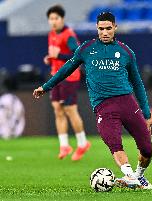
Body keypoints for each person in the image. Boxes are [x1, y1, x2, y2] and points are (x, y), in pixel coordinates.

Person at [34, 12, 152, 190]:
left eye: (108, 28)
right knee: (113, 142)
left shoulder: (126, 51)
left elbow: (137, 83)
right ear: (97, 29)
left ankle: (138, 176)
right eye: (101, 29)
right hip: (103, 105)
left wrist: (147, 113)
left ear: (115, 28)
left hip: (127, 102)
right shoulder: (86, 49)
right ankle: (129, 175)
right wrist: (46, 86)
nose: (104, 32)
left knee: (147, 149)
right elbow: (66, 69)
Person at [44, 5, 91, 161]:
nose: (53, 21)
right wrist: (51, 58)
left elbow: (77, 56)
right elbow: (56, 55)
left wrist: (60, 55)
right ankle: (64, 145)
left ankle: (82, 143)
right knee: (57, 109)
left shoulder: (68, 35)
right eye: (51, 18)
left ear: (62, 19)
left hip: (69, 77)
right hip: (55, 76)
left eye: (56, 18)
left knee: (70, 109)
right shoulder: (51, 34)